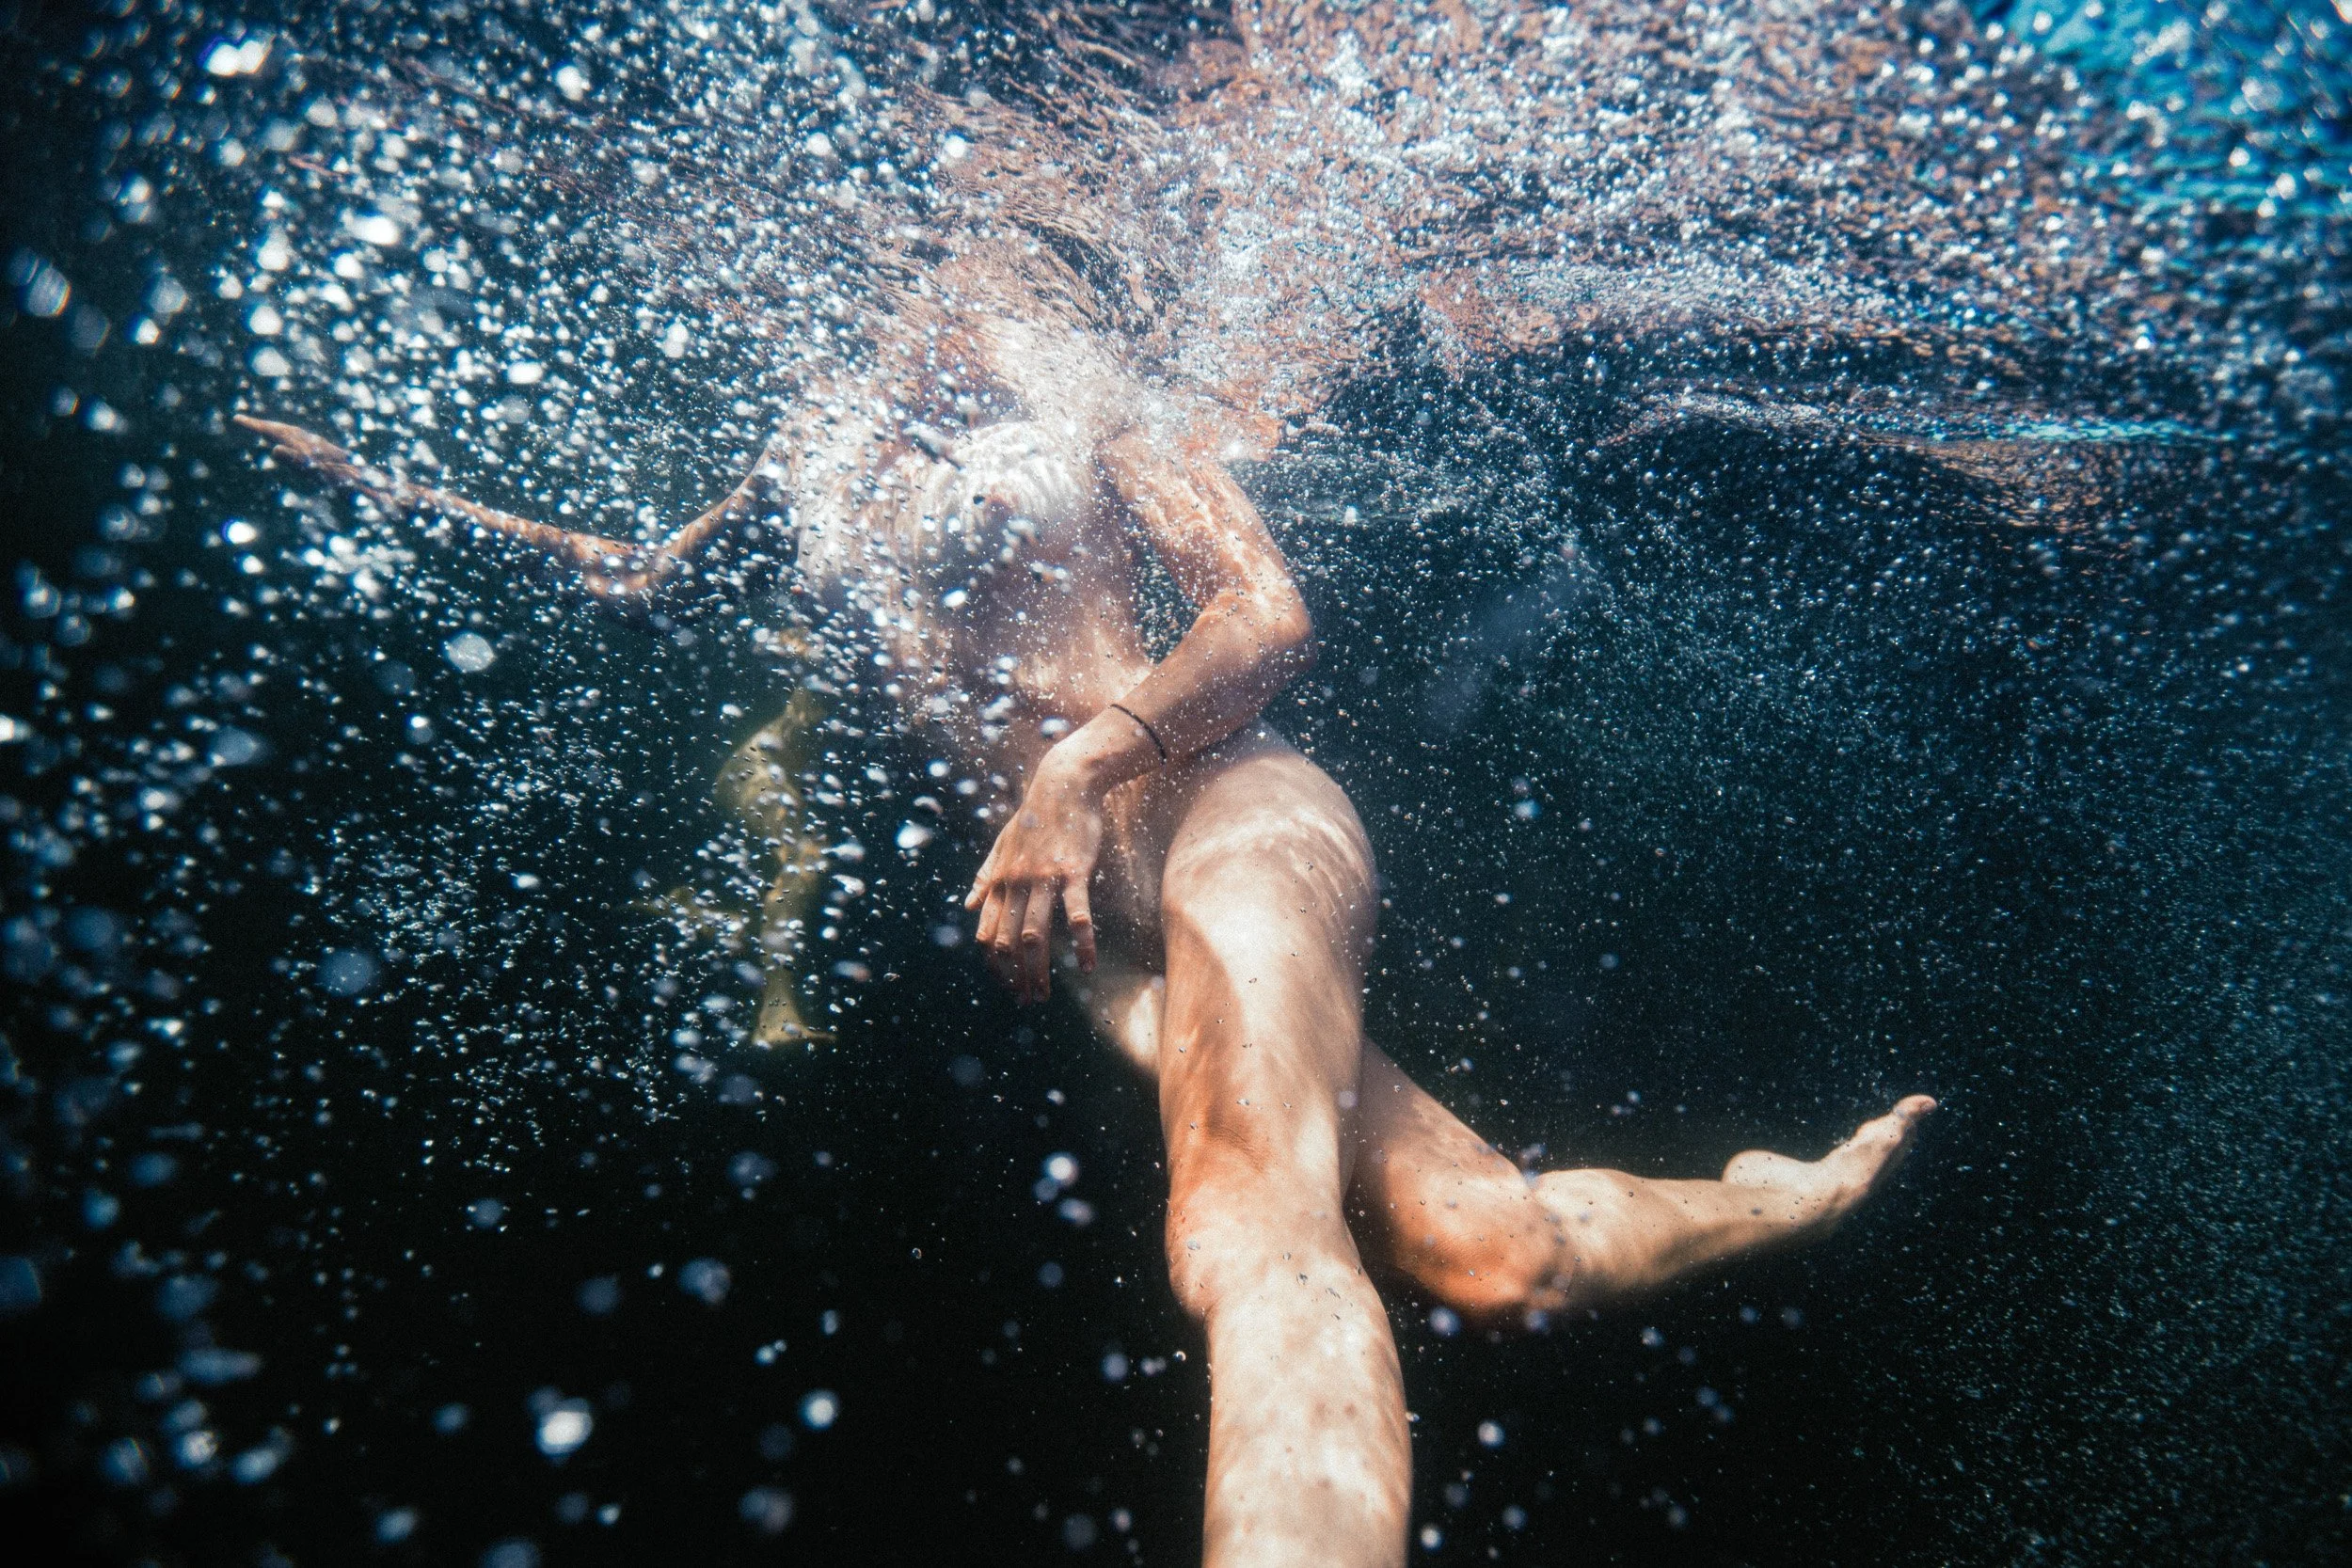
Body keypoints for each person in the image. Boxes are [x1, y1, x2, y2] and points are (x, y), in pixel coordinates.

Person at [238, 314, 1933, 1567]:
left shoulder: (1068, 367)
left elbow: (1266, 616)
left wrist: (1071, 771)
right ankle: (1781, 1193)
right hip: (1111, 931)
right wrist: (393, 496)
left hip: (1231, 816)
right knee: (1500, 1260)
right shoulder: (818, 420)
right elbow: (638, 582)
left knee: (1248, 1224)